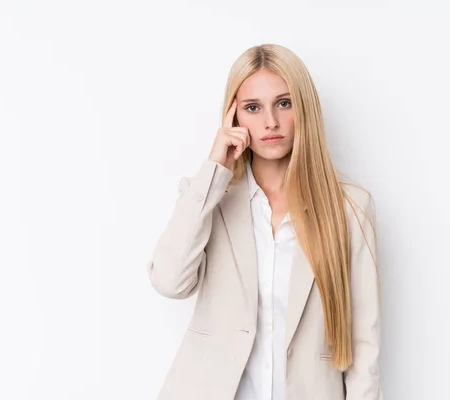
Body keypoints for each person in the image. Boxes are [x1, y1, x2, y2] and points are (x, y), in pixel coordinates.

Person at [147, 43, 383, 400]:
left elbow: (364, 345)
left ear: (304, 109)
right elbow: (169, 281)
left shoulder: (351, 208)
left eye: (284, 103)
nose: (270, 121)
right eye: (253, 108)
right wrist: (215, 168)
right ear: (234, 117)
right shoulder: (212, 199)